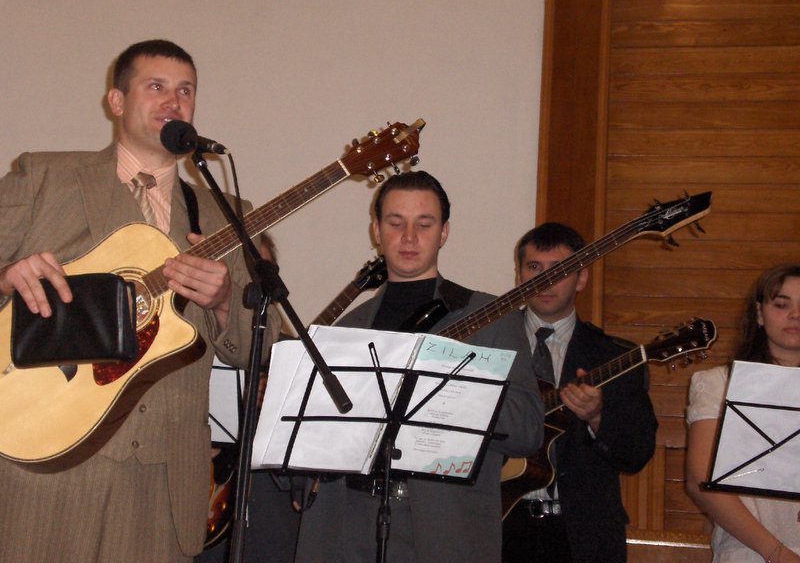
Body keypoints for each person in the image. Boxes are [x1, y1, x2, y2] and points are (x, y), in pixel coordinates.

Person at [0, 39, 281, 562]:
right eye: (156, 87)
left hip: (162, 481)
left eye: (186, 91)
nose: (174, 101)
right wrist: (5, 279)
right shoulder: (44, 177)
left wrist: (224, 302)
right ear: (116, 101)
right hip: (43, 468)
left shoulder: (227, 214)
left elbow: (262, 348)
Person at [293, 170, 544, 563]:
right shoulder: (344, 329)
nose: (409, 237)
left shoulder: (494, 316)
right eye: (396, 223)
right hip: (346, 525)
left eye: (424, 224)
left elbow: (528, 430)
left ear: (444, 233)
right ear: (377, 231)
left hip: (444, 531)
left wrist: (459, 390)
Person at [502, 222, 657, 563]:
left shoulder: (615, 357)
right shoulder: (490, 344)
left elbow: (637, 453)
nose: (544, 280)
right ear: (519, 276)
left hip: (584, 537)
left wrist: (598, 417)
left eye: (559, 270)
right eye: (534, 267)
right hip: (497, 526)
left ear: (581, 278)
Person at [685, 263, 800, 562]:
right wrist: (777, 553)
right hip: (750, 552)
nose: (795, 315)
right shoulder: (718, 383)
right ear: (760, 314)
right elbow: (700, 481)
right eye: (782, 304)